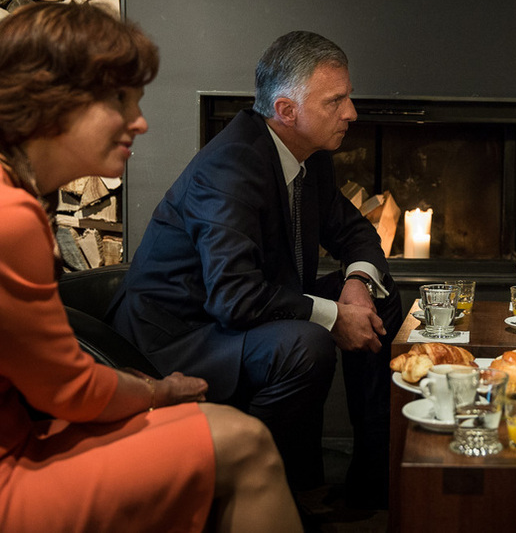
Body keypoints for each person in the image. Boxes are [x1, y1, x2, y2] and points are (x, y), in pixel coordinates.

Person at [0, 2, 301, 532]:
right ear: (50, 96)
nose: (140, 121)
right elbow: (66, 391)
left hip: (26, 428)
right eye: (120, 100)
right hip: (11, 475)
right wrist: (157, 391)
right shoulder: (12, 217)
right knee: (246, 442)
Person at [111, 30, 403, 509]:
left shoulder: (309, 157)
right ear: (286, 111)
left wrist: (355, 285)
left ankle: (374, 481)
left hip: (232, 311)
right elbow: (235, 296)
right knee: (305, 342)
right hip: (181, 335)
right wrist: (332, 316)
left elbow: (357, 234)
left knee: (380, 294)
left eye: (348, 97)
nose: (351, 113)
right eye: (336, 101)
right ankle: (263, 494)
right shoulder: (230, 167)